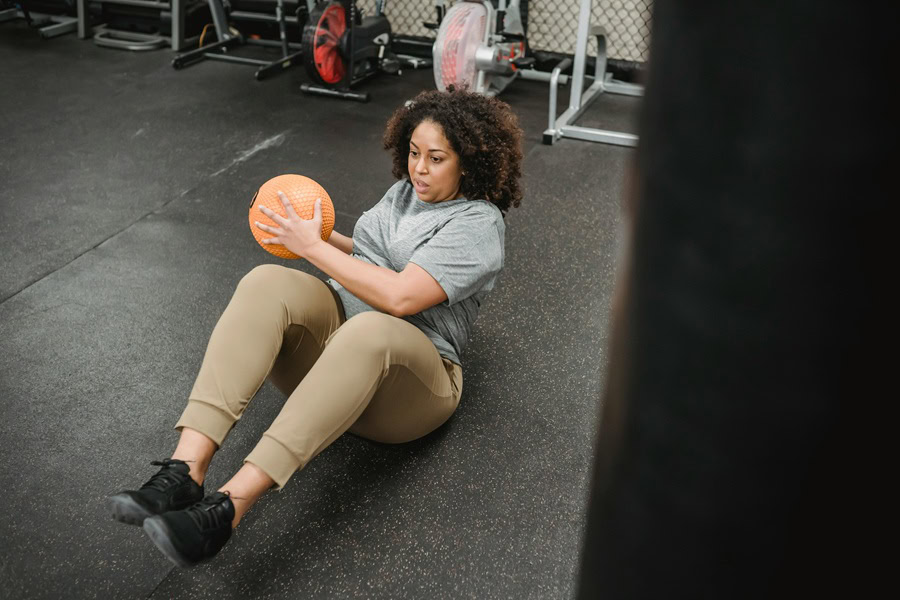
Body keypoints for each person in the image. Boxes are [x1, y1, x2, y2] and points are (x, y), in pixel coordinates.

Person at [107, 87, 525, 568]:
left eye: (436, 158)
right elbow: (372, 259)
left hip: (407, 392)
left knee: (368, 331)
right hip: (336, 363)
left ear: (469, 164)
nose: (419, 169)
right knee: (266, 282)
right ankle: (186, 468)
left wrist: (312, 248)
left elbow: (400, 296)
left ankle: (226, 511)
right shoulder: (406, 193)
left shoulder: (479, 223)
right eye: (413, 153)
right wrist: (320, 235)